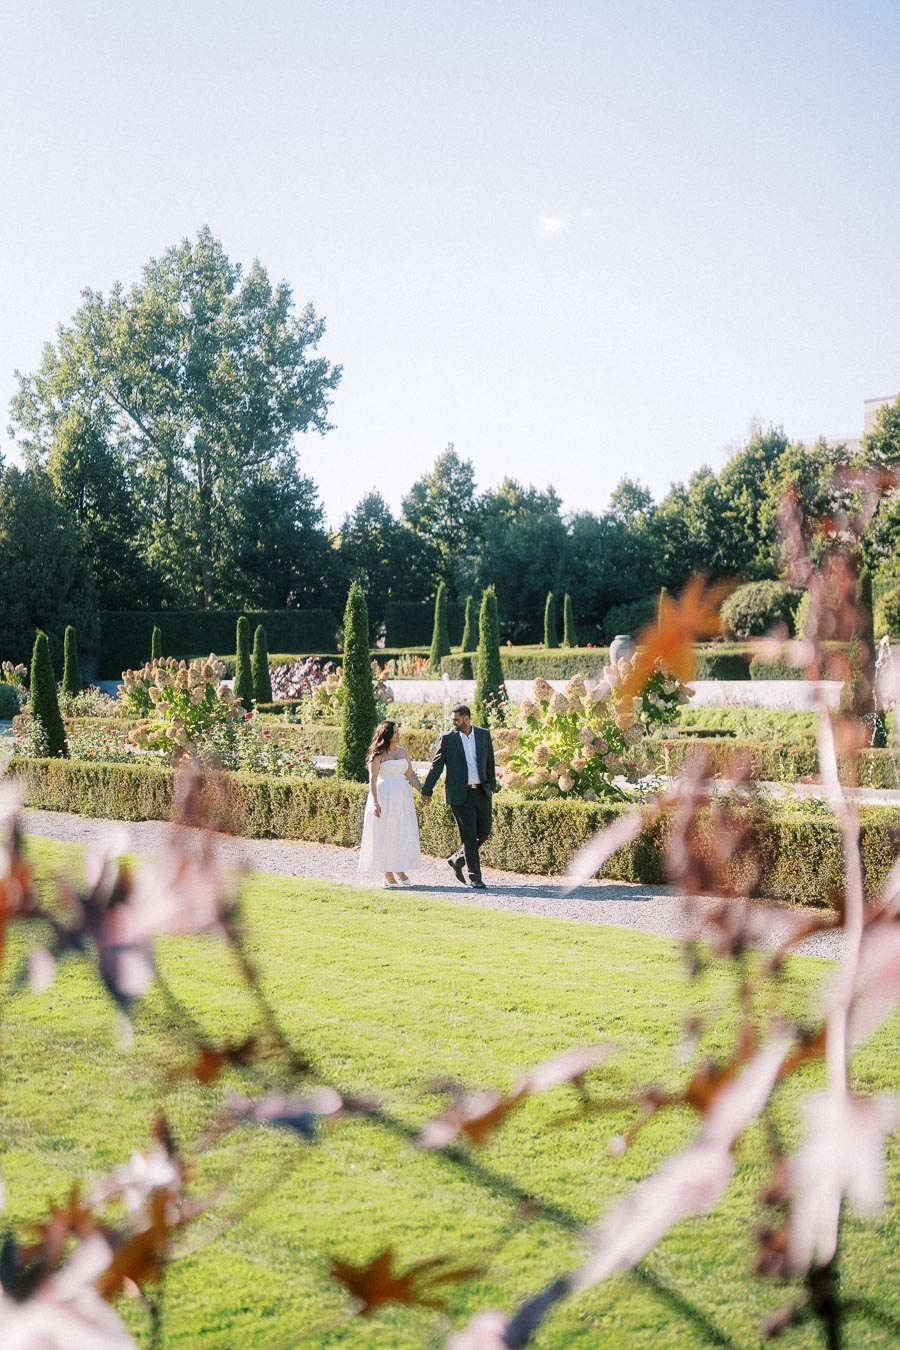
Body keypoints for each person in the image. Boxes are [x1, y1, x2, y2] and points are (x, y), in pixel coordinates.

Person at [421, 704, 496, 890]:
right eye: (453, 719)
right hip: (459, 795)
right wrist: (427, 790)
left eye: (456, 719)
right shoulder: (447, 739)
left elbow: (490, 762)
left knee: (484, 831)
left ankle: (457, 859)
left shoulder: (483, 734)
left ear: (467, 719)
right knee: (469, 837)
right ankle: (475, 877)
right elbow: (436, 765)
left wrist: (491, 786)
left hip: (481, 791)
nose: (453, 722)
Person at [358, 720, 423, 888]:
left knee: (401, 832)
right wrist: (375, 803)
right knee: (385, 833)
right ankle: (387, 872)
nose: (398, 734)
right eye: (394, 732)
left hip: (402, 796)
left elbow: (411, 775)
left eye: (398, 731)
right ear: (386, 735)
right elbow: (372, 781)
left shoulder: (403, 752)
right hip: (384, 795)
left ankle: (399, 868)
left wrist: (423, 792)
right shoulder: (377, 755)